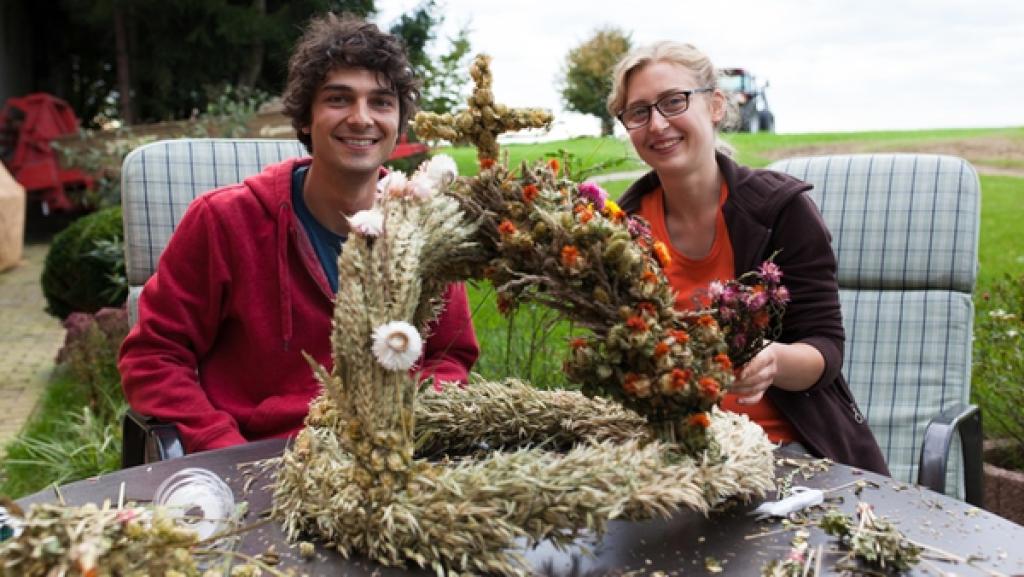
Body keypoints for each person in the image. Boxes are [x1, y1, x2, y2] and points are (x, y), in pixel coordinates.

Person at [119, 14, 479, 454]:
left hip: (394, 460)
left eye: (381, 102)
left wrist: (412, 431)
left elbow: (449, 359)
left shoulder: (428, 227)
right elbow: (154, 358)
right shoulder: (223, 222)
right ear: (305, 118)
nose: (361, 118)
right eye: (339, 98)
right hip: (262, 466)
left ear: (399, 125)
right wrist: (223, 451)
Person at [607, 41, 888, 475]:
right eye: (639, 112)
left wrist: (772, 360)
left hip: (789, 453)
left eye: (673, 102)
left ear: (715, 105)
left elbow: (825, 350)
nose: (657, 124)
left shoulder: (780, 210)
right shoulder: (619, 229)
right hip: (668, 456)